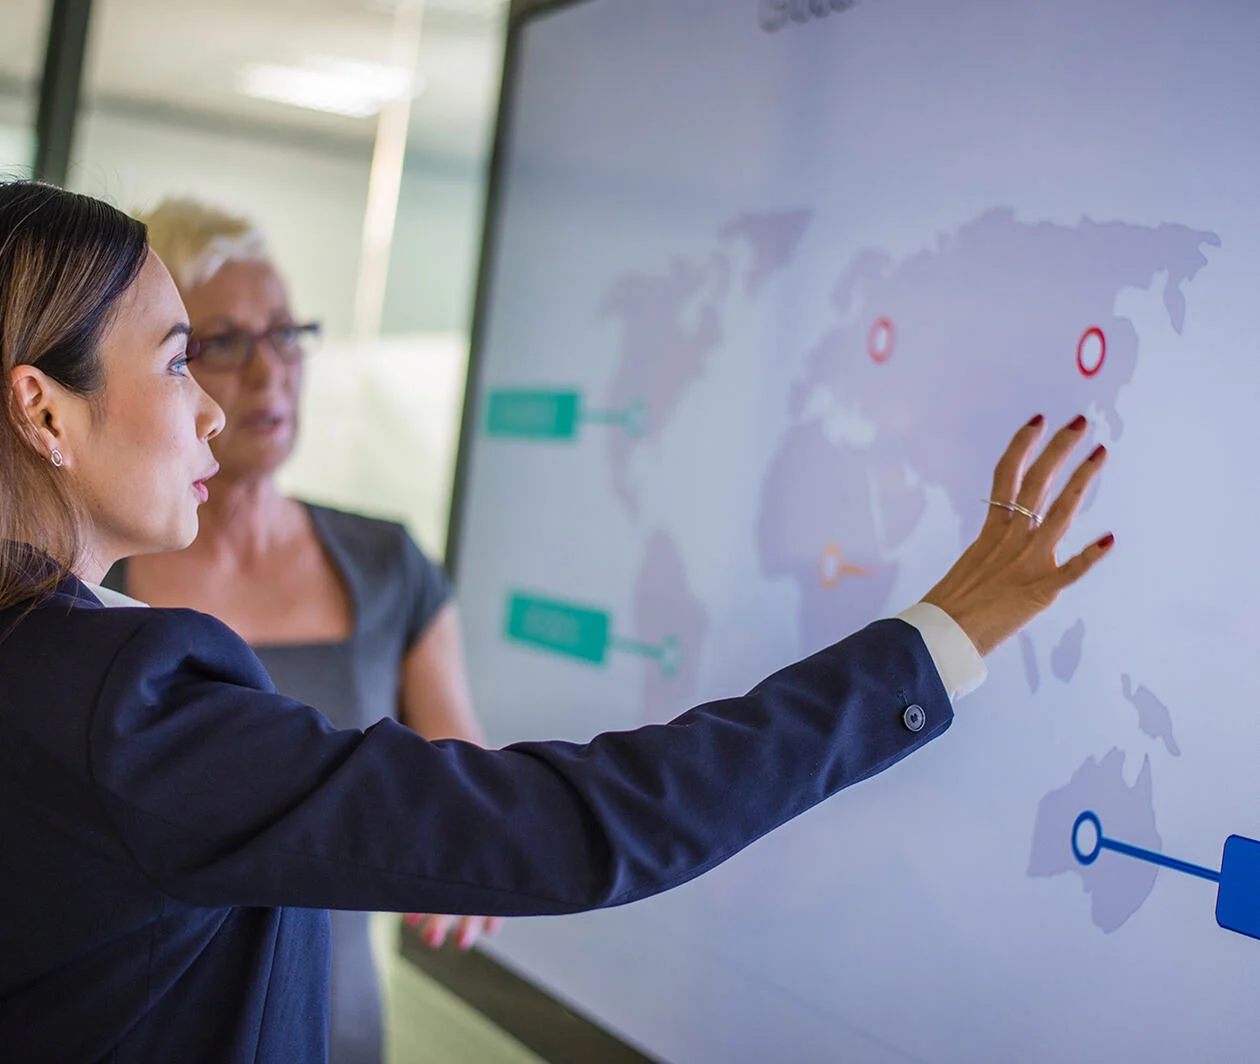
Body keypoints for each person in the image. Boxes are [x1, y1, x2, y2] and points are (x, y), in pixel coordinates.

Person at [0, 180, 1114, 1064]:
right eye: (181, 356)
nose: (214, 403)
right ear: (43, 409)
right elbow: (557, 820)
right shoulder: (119, 697)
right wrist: (932, 642)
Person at [98, 197, 494, 1064]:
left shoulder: (389, 566)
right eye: (225, 343)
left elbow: (461, 775)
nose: (269, 372)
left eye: (287, 333)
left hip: (337, 1030)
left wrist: (474, 855)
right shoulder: (96, 579)